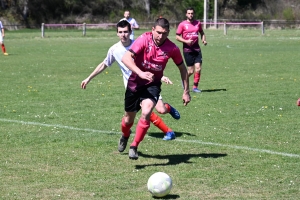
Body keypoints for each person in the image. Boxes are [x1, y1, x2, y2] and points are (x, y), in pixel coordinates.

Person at [81, 20, 180, 143]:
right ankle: (168, 131)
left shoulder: (140, 44)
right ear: (117, 33)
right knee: (144, 111)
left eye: (126, 32)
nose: (123, 34)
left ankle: (168, 108)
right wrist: (88, 78)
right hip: (132, 87)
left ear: (130, 32)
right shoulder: (114, 50)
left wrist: (162, 76)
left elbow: (152, 63)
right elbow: (104, 64)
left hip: (149, 84)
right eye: (120, 32)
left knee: (161, 110)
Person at [121, 17, 191, 160]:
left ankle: (134, 146)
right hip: (135, 83)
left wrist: (186, 91)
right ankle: (125, 135)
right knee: (128, 120)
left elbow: (183, 69)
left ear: (168, 33)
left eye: (164, 33)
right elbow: (126, 58)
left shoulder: (172, 48)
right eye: (158, 32)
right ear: (153, 29)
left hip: (152, 85)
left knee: (146, 111)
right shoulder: (144, 39)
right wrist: (140, 72)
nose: (161, 36)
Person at [176, 7, 207, 93]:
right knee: (190, 71)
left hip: (197, 49)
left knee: (198, 68)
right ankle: (184, 79)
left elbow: (202, 33)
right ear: (186, 14)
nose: (190, 15)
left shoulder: (198, 23)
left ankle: (195, 87)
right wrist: (186, 41)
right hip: (187, 50)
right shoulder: (182, 24)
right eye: (189, 13)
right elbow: (177, 36)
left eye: (192, 13)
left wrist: (204, 40)